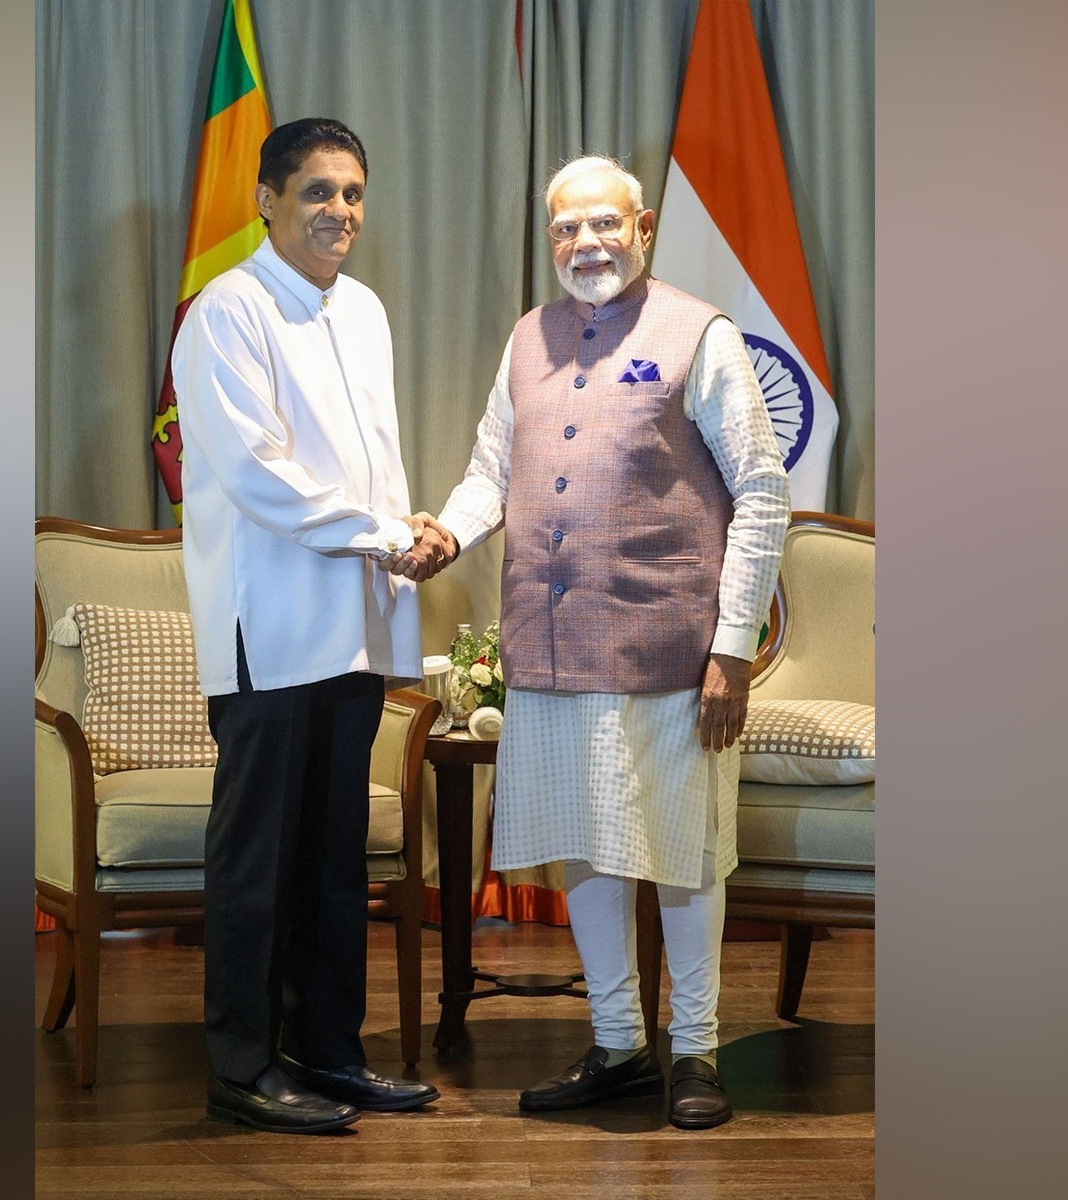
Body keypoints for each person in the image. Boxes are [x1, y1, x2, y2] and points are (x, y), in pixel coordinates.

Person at [389, 155, 790, 1130]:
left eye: (604, 224)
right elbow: (494, 467)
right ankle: (619, 1044)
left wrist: (731, 649)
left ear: (643, 224)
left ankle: (692, 1052)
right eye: (566, 228)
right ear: (550, 237)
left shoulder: (700, 334)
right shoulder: (529, 338)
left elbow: (763, 492)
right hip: (552, 648)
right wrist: (447, 529)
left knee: (685, 853)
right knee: (588, 845)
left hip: (672, 650)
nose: (586, 243)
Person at [172, 117, 439, 1134]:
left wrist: (403, 528)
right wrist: (384, 532)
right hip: (269, 626)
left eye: (354, 194)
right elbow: (253, 474)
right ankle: (242, 1064)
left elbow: (372, 455)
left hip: (356, 622)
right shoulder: (226, 311)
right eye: (319, 192)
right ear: (266, 200)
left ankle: (329, 1053)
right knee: (258, 859)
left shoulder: (362, 309)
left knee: (331, 856)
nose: (340, 212)